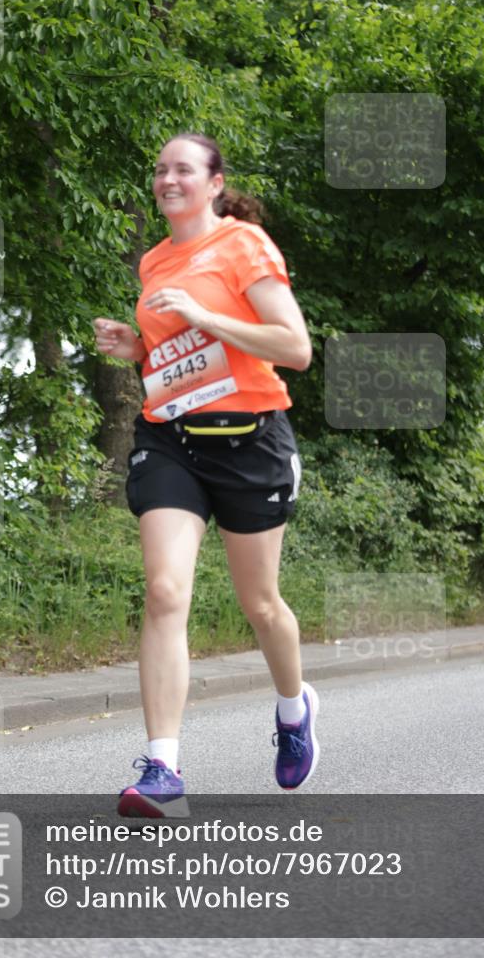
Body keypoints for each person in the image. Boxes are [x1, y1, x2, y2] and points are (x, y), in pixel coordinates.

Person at [93, 133, 318, 817]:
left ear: (214, 182)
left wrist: (203, 316)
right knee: (164, 591)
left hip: (250, 442)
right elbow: (177, 358)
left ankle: (292, 709)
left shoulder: (244, 246)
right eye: (159, 168)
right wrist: (139, 348)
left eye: (182, 169)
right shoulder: (154, 259)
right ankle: (161, 768)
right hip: (171, 439)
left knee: (261, 606)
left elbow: (294, 348)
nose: (167, 178)